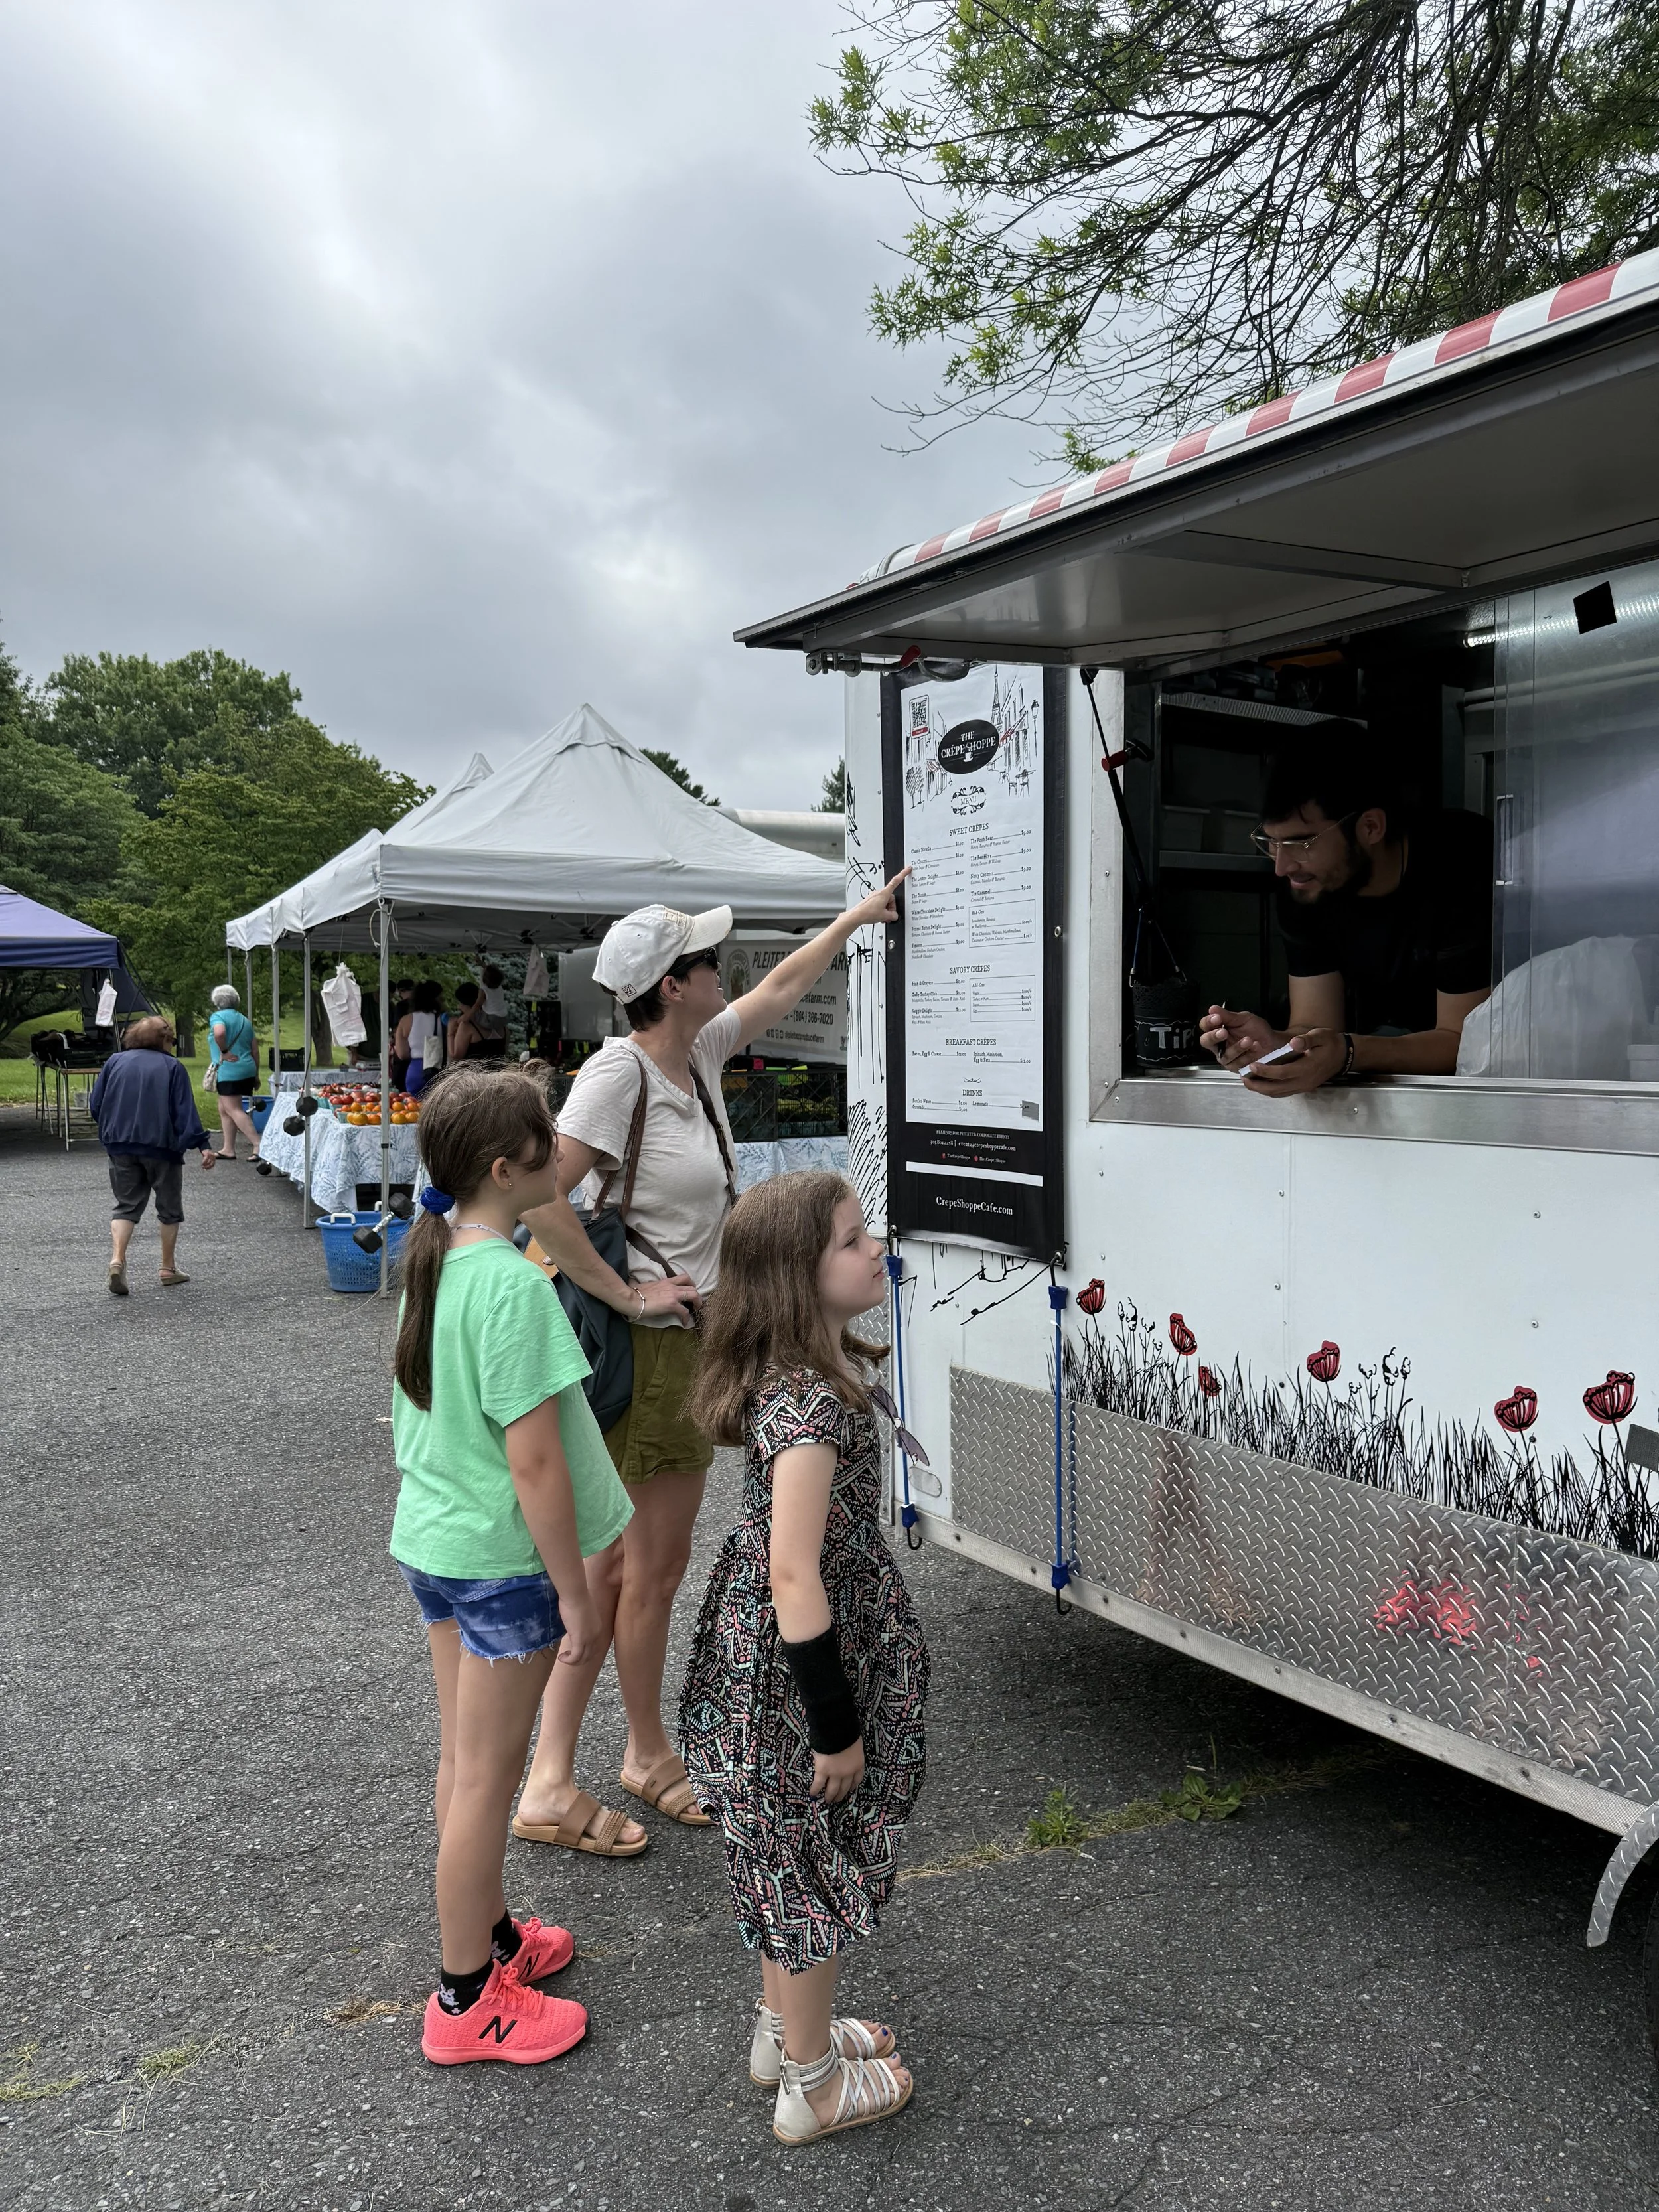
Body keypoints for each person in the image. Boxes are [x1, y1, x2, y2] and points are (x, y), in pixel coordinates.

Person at [512, 875, 907, 1860]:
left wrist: (855, 921)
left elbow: (776, 988)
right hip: (652, 1346)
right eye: (702, 959)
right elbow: (536, 1195)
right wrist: (623, 1290)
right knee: (632, 1570)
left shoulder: (695, 1051)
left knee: (647, 1564)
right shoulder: (620, 1073)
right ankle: (596, 1766)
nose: (718, 969)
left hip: (685, 1341)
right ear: (670, 984)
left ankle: (588, 1763)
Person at [390, 1065, 636, 2068]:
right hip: (500, 1565)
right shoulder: (512, 1286)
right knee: (487, 1777)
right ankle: (462, 2001)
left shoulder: (439, 1257)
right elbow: (535, 1460)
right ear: (507, 1168)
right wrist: (575, 1590)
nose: (561, 1159)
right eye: (548, 1145)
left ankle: (491, 1942)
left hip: (438, 1546)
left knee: (465, 1763)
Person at [679, 1171, 926, 2143]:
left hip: (761, 1662)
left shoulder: (796, 1383)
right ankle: (814, 2086)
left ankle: (783, 2032)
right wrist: (836, 1725)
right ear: (797, 1275)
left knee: (783, 1857)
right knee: (814, 1862)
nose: (874, 1248)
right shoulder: (812, 1411)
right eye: (851, 1239)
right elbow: (794, 1572)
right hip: (795, 1674)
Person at [1197, 727, 1493, 1094]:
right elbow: (1314, 1024)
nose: (1282, 865)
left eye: (1301, 842)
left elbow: (1463, 1043)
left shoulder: (1460, 861)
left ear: (1370, 827)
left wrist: (1347, 1053)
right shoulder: (1306, 882)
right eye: (1272, 843)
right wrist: (1274, 1046)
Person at [90, 1016, 218, 1293]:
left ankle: (117, 1260)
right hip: (162, 1147)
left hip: (120, 1144)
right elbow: (184, 1111)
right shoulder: (172, 1066)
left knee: (126, 1206)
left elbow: (96, 1103)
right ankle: (167, 1268)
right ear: (163, 1040)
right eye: (171, 1040)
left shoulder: (115, 1062)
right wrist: (203, 1144)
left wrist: (110, 1131)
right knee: (169, 1209)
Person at [205, 985, 261, 1160]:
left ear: (217, 1002)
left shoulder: (218, 1017)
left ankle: (259, 1145)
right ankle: (228, 1149)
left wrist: (224, 1052)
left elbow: (219, 1033)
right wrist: (257, 1075)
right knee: (224, 1108)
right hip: (247, 1067)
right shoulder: (245, 1020)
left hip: (230, 1069)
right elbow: (255, 1050)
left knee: (234, 1109)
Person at [395, 980, 445, 1094]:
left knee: (412, 1110)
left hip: (416, 1070)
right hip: (437, 1070)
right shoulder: (443, 1019)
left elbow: (402, 1054)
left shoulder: (406, 1020)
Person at [449, 982, 504, 1062]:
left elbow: (456, 1056)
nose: (459, 1007)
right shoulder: (501, 1026)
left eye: (460, 1003)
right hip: (498, 1073)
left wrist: (450, 1033)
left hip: (475, 1073)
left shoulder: (467, 1026)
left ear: (465, 1004)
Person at [388, 979, 415, 1089]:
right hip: (420, 1051)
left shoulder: (402, 1006)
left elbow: (397, 1029)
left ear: (401, 991)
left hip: (403, 1048)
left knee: (399, 1084)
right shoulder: (424, 1008)